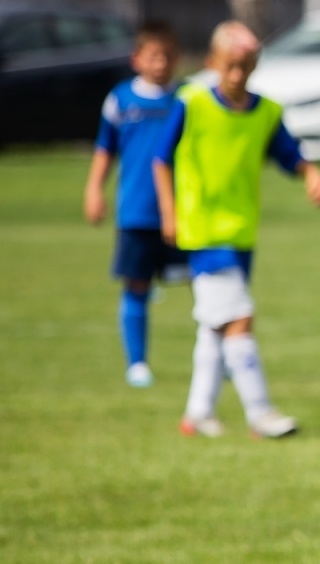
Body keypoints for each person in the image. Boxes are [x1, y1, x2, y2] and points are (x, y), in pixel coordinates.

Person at [152, 21, 320, 439]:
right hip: (204, 231)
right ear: (212, 62)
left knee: (216, 325)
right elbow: (160, 159)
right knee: (238, 317)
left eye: (245, 66)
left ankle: (197, 414)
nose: (237, 74)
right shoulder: (191, 102)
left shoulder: (265, 112)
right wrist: (168, 212)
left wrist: (310, 173)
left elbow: (288, 154)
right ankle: (260, 413)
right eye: (229, 65)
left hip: (241, 232)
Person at [84, 20, 185, 388]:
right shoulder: (122, 99)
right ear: (137, 59)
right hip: (138, 211)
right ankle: (137, 363)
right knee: (136, 284)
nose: (161, 63)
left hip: (184, 212)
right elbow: (105, 149)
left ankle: (219, 356)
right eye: (154, 56)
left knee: (204, 284)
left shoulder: (186, 98)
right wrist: (94, 189)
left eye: (168, 56)